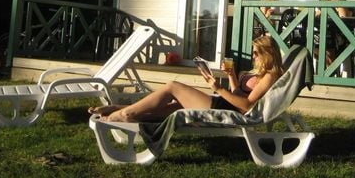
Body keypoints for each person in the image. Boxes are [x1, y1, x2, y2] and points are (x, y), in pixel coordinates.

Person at [88, 35, 283, 122]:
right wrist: (231, 76)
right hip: (224, 103)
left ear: (268, 54)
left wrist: (218, 88)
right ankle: (121, 110)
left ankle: (125, 113)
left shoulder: (270, 76)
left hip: (225, 109)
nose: (254, 56)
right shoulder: (258, 73)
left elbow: (247, 106)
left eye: (256, 53)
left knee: (173, 87)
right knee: (171, 108)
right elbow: (238, 95)